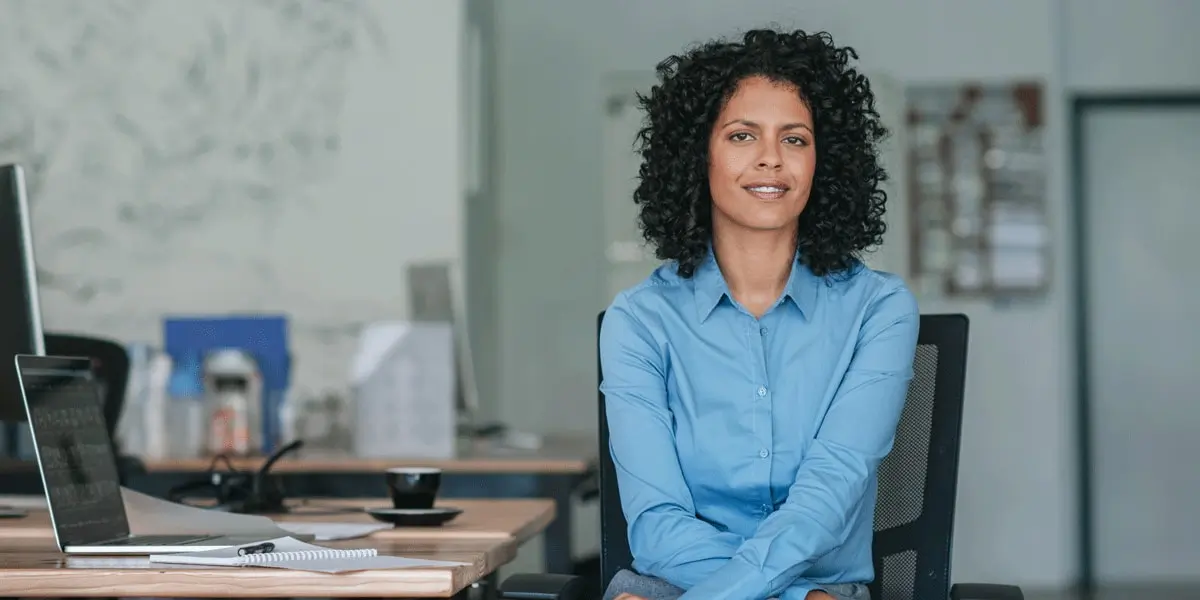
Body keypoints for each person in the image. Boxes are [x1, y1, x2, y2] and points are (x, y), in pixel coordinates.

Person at [599, 27, 919, 600]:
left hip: (824, 585)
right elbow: (657, 525)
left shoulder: (879, 309)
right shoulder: (639, 322)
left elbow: (826, 500)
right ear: (700, 154)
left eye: (795, 139)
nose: (771, 158)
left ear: (825, 160)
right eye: (743, 135)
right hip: (684, 582)